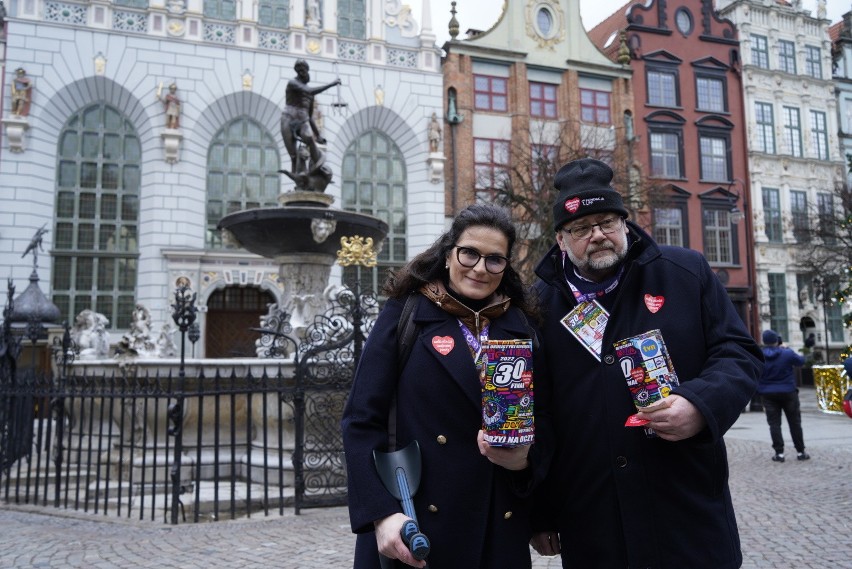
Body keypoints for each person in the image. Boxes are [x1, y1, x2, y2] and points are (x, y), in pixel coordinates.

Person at [529, 158, 762, 569]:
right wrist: (542, 509)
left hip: (684, 506)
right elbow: (540, 411)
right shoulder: (540, 305)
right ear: (561, 241)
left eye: (606, 222)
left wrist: (699, 405)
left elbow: (738, 353)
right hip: (593, 518)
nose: (597, 235)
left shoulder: (685, 272)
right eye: (581, 228)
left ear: (626, 222)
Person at [342, 203, 552, 569]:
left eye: (494, 259)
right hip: (415, 522)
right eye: (469, 253)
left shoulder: (522, 325)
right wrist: (382, 514)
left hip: (498, 530)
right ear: (449, 252)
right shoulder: (405, 314)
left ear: (506, 266)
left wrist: (526, 463)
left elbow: (548, 423)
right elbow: (361, 420)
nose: (480, 268)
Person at [280, 59, 340, 175]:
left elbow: (310, 116)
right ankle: (298, 181)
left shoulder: (310, 96)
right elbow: (309, 91)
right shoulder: (292, 83)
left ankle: (317, 169)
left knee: (309, 138)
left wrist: (318, 135)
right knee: (293, 155)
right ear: (298, 72)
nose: (304, 73)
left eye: (305, 70)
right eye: (301, 70)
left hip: (303, 120)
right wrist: (332, 84)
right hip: (288, 119)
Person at [758, 329, 809, 462]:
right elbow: (801, 361)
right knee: (795, 422)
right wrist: (787, 348)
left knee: (774, 424)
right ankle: (800, 452)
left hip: (768, 394)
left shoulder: (760, 355)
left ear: (764, 341)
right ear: (777, 340)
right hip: (788, 392)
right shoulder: (787, 353)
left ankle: (779, 453)